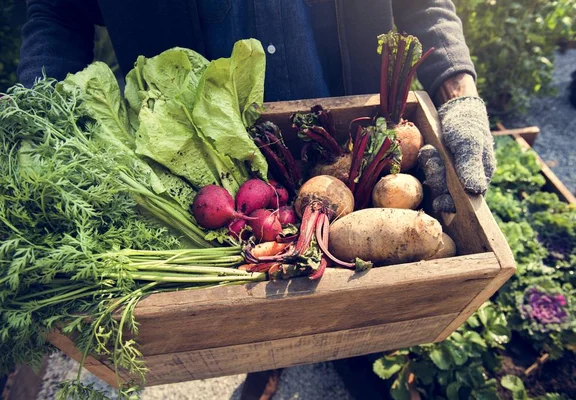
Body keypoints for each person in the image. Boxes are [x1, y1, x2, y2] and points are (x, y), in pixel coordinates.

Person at [17, 0, 495, 397]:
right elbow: (56, 13)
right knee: (260, 307)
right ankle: (267, 360)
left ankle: (358, 352)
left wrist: (457, 90)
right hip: (210, 153)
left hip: (349, 143)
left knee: (358, 294)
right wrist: (31, 126)